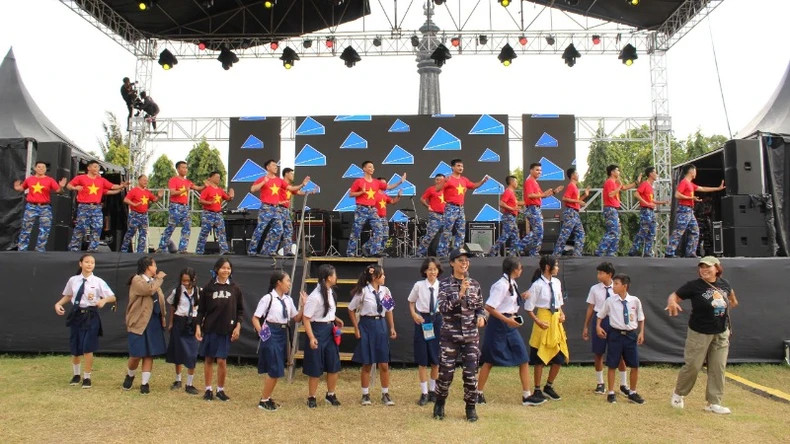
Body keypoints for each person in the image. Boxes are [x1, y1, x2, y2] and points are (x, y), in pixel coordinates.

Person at [666, 256, 738, 414]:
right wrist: (672, 302)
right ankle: (678, 394)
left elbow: (733, 300)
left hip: (720, 333)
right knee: (693, 366)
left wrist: (722, 313)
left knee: (718, 367)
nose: (704, 270)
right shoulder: (694, 286)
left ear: (717, 269)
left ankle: (714, 403)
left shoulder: (724, 284)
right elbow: (674, 296)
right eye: (702, 267)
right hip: (699, 332)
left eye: (708, 267)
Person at [433, 247, 486, 422]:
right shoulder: (444, 284)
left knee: (470, 375)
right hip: (450, 337)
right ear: (452, 263)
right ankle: (439, 404)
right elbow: (443, 308)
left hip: (471, 336)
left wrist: (481, 317)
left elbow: (480, 307)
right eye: (461, 260)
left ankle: (471, 407)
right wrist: (460, 294)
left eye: (467, 261)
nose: (465, 263)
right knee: (446, 374)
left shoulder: (475, 284)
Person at [53, 254, 117, 389]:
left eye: (92, 263)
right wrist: (58, 304)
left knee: (87, 347)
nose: (89, 265)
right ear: (80, 263)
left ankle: (87, 376)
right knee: (75, 347)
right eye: (87, 262)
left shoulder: (98, 281)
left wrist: (103, 300)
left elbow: (112, 297)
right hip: (77, 314)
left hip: (91, 315)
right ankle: (76, 375)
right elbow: (69, 295)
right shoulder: (73, 280)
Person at [476, 257, 532, 405]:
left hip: (510, 324)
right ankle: (478, 393)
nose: (521, 270)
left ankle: (527, 395)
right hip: (499, 325)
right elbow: (489, 307)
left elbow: (510, 303)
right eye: (520, 268)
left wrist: (523, 296)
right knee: (489, 360)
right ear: (514, 269)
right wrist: (507, 320)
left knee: (524, 358)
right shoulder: (501, 285)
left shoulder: (512, 283)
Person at [252, 271, 306, 411]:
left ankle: (268, 397)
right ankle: (263, 400)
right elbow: (255, 318)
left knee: (277, 366)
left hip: (283, 332)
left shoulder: (288, 300)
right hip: (271, 331)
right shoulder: (268, 298)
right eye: (287, 281)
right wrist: (264, 335)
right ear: (279, 283)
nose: (289, 284)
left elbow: (297, 318)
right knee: (274, 367)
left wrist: (303, 306)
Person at [522, 255, 569, 406]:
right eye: (556, 265)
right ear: (548, 267)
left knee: (560, 355)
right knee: (539, 358)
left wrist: (561, 314)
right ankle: (537, 389)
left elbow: (559, 302)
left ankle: (549, 385)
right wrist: (538, 320)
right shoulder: (537, 285)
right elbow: (529, 308)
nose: (558, 268)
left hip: (555, 320)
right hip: (543, 318)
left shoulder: (556, 282)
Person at [195, 257, 244, 401]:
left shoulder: (235, 288)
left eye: (228, 268)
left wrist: (238, 326)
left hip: (226, 330)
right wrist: (198, 326)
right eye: (223, 268)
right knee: (209, 359)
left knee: (222, 360)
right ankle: (208, 389)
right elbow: (201, 310)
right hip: (210, 329)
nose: (226, 271)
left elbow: (240, 311)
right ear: (217, 269)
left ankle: (220, 390)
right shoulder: (209, 288)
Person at [349, 264, 398, 406]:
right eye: (382, 275)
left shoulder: (385, 290)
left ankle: (385, 393)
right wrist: (356, 327)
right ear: (374, 277)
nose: (384, 277)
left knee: (384, 363)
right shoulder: (363, 292)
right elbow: (351, 309)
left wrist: (392, 327)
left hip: (381, 325)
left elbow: (388, 309)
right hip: (367, 325)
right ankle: (365, 394)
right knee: (367, 362)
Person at [596, 273, 645, 404]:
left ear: (625, 286)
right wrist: (598, 326)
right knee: (612, 364)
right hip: (615, 335)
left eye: (616, 284)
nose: (614, 286)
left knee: (634, 365)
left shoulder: (635, 300)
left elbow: (641, 317)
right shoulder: (610, 301)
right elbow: (600, 314)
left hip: (630, 335)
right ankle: (611, 392)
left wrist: (641, 333)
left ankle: (633, 392)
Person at [582, 262, 629, 396]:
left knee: (619, 353)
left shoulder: (617, 289)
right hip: (599, 320)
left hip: (615, 321)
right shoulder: (594, 289)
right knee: (598, 352)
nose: (598, 275)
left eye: (601, 273)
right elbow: (591, 308)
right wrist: (586, 325)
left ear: (609, 274)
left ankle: (623, 384)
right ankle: (600, 383)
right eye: (598, 273)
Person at [122, 256, 167, 394]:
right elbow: (148, 290)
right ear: (148, 266)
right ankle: (130, 375)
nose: (156, 268)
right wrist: (159, 278)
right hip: (139, 322)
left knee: (149, 353)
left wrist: (163, 316)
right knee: (136, 353)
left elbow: (161, 300)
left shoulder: (155, 283)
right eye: (154, 265)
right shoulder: (137, 280)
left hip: (153, 321)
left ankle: (144, 383)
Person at [302, 264, 344, 408]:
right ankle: (312, 397)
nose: (336, 277)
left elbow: (326, 310)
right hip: (317, 330)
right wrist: (312, 337)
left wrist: (335, 318)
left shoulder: (330, 292)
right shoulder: (315, 296)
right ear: (328, 278)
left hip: (329, 329)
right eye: (334, 275)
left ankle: (330, 394)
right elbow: (306, 318)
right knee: (315, 364)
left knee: (333, 363)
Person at [248, 160, 308, 256]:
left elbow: (291, 188)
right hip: (266, 208)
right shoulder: (262, 178)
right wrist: (264, 182)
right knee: (260, 229)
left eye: (276, 165)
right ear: (268, 167)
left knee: (279, 230)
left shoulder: (279, 180)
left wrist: (302, 185)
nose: (276, 167)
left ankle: (271, 251)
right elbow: (252, 189)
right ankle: (252, 250)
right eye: (274, 165)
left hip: (276, 209)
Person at [66, 160, 127, 252]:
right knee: (81, 227)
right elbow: (69, 185)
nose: (96, 168)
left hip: (96, 207)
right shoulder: (81, 178)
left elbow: (112, 187)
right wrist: (75, 188)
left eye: (98, 167)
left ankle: (93, 248)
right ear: (89, 168)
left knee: (97, 227)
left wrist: (121, 186)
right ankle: (74, 247)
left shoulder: (101, 180)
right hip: (84, 206)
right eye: (94, 166)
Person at [346, 161, 405, 257]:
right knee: (356, 231)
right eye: (369, 167)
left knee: (379, 228)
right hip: (361, 208)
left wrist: (400, 182)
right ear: (364, 169)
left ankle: (374, 252)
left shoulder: (376, 182)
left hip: (372, 210)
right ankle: (350, 253)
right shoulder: (359, 181)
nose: (372, 169)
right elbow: (351, 194)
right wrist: (361, 192)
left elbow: (388, 187)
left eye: (373, 167)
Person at [665, 165, 726, 258]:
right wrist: (691, 198)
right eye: (695, 171)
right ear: (691, 171)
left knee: (695, 231)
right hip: (684, 210)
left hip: (689, 210)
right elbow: (677, 195)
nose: (696, 173)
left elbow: (703, 188)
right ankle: (669, 252)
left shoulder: (691, 184)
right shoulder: (684, 182)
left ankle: (690, 252)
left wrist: (717, 188)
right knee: (679, 231)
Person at [407, 257, 443, 406]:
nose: (432, 272)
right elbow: (411, 301)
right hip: (423, 321)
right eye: (429, 269)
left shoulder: (442, 286)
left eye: (435, 269)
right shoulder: (419, 285)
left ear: (438, 271)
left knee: (435, 358)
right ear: (425, 271)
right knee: (422, 359)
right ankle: (424, 392)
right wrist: (414, 314)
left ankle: (433, 391)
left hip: (437, 320)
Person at [436, 160, 488, 257]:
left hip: (460, 208)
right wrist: (443, 181)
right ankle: (441, 254)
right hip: (450, 207)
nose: (461, 168)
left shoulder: (464, 179)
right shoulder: (449, 179)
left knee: (461, 232)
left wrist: (483, 181)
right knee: (447, 231)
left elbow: (473, 185)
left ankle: (457, 253)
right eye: (458, 166)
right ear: (452, 167)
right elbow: (437, 189)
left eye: (462, 166)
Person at [12, 161, 66, 252]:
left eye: (43, 167)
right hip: (31, 206)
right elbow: (22, 188)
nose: (41, 169)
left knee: (45, 230)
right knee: (26, 229)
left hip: (45, 207)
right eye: (39, 167)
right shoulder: (30, 179)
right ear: (35, 168)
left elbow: (59, 191)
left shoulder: (50, 180)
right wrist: (17, 188)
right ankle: (22, 249)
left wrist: (61, 187)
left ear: (45, 169)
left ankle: (40, 249)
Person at [165, 267, 201, 395]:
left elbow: (201, 310)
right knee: (178, 352)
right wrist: (171, 323)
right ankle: (178, 379)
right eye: (183, 281)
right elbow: (172, 308)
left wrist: (199, 326)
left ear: (193, 279)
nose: (185, 283)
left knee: (192, 354)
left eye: (188, 281)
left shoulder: (198, 291)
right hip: (179, 321)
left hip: (193, 322)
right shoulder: (177, 291)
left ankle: (189, 383)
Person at [158, 161, 206, 253]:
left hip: (185, 207)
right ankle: (162, 247)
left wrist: (205, 185)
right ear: (178, 169)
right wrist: (184, 189)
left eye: (186, 168)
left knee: (187, 226)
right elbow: (172, 192)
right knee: (171, 226)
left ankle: (182, 248)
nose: (185, 170)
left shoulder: (188, 181)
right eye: (183, 168)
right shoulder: (173, 180)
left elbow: (197, 188)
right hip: (175, 206)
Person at [595, 165, 640, 257]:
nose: (619, 172)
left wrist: (636, 182)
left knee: (617, 231)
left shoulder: (615, 183)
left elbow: (625, 187)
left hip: (614, 209)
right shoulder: (609, 182)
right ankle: (600, 250)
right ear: (612, 172)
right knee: (613, 231)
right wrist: (619, 187)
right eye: (617, 170)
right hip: (610, 209)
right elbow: (611, 194)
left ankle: (611, 252)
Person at [521, 163, 563, 257]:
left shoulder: (535, 182)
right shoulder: (529, 181)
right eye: (537, 170)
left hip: (536, 208)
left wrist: (554, 192)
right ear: (531, 170)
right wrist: (543, 195)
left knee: (539, 232)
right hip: (532, 208)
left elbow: (541, 196)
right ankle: (520, 247)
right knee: (538, 231)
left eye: (540, 170)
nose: (539, 172)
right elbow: (530, 195)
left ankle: (533, 252)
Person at [121, 174, 164, 253]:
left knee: (143, 234)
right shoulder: (134, 190)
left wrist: (159, 196)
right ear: (139, 180)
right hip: (135, 215)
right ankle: (123, 250)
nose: (146, 182)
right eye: (144, 180)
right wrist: (133, 204)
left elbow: (154, 200)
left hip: (144, 215)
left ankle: (140, 252)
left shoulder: (147, 192)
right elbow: (126, 200)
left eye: (147, 181)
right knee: (130, 233)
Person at [195, 171, 235, 255]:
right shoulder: (207, 189)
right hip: (208, 214)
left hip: (218, 214)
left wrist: (231, 196)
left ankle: (224, 250)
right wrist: (209, 203)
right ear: (211, 178)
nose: (218, 179)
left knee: (221, 232)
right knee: (204, 232)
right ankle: (199, 251)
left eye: (219, 177)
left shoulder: (220, 190)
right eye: (216, 177)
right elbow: (200, 200)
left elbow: (227, 198)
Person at [553, 167, 589, 256]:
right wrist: (578, 201)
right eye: (577, 173)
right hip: (570, 212)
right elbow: (564, 198)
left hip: (575, 213)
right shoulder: (571, 186)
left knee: (581, 233)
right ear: (572, 175)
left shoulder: (575, 187)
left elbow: (576, 201)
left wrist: (585, 195)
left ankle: (577, 254)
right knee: (565, 234)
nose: (578, 175)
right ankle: (556, 255)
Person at [278, 167, 311, 255]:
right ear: (286, 174)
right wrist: (302, 184)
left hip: (285, 210)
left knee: (289, 230)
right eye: (291, 174)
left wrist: (310, 192)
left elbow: (298, 192)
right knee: (277, 230)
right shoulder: (281, 183)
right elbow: (293, 189)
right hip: (278, 209)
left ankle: (287, 250)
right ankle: (270, 250)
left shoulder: (290, 186)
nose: (293, 176)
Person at [489, 176, 522, 257]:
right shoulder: (508, 192)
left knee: (515, 236)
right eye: (516, 182)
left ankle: (512, 255)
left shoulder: (512, 193)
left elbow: (517, 203)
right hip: (508, 217)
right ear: (512, 182)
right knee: (505, 236)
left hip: (512, 217)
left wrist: (530, 201)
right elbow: (501, 203)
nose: (517, 183)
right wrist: (512, 208)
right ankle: (492, 252)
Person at [417, 174, 445, 257]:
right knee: (430, 235)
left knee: (445, 236)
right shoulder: (431, 189)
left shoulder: (447, 190)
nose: (439, 181)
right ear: (435, 180)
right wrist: (428, 206)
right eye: (437, 179)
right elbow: (422, 199)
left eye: (441, 180)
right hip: (435, 215)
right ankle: (420, 254)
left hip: (446, 216)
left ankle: (442, 254)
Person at [374, 183, 403, 254]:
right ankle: (369, 248)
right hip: (375, 218)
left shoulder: (384, 195)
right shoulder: (373, 194)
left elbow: (393, 201)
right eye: (382, 183)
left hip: (383, 218)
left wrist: (398, 196)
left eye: (385, 183)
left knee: (385, 236)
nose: (384, 184)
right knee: (378, 234)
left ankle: (380, 251)